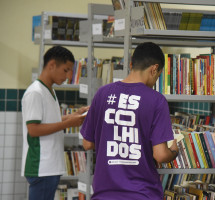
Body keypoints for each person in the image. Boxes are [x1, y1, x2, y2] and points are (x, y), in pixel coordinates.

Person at [81, 42, 179, 200]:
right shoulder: (156, 100)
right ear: (154, 69)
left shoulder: (102, 94)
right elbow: (160, 155)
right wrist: (173, 151)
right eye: (158, 76)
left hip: (104, 194)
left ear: (132, 64)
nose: (155, 82)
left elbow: (87, 143)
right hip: (142, 193)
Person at [21, 46, 89, 200]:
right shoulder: (35, 92)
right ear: (52, 65)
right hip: (41, 167)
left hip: (50, 166)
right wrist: (68, 123)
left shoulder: (49, 90)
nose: (69, 75)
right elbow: (33, 129)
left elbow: (51, 120)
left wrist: (75, 115)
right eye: (66, 70)